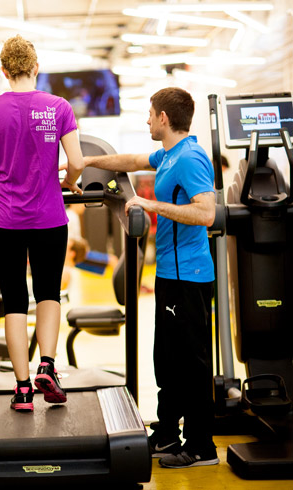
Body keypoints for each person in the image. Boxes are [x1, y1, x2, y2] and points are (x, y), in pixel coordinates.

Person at [83, 87, 218, 468]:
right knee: (167, 360)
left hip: (189, 277)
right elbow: (132, 159)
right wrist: (87, 160)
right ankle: (166, 436)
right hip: (169, 275)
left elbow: (206, 213)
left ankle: (200, 447)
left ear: (164, 118)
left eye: (150, 114)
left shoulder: (190, 158)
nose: (146, 120)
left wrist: (151, 205)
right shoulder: (170, 154)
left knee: (191, 365)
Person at [0, 35, 85, 412]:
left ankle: (21, 390)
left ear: (3, 71)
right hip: (49, 218)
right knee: (49, 292)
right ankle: (47, 366)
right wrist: (67, 182)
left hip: (3, 221)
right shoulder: (59, 107)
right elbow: (78, 163)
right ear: (36, 67)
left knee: (14, 300)